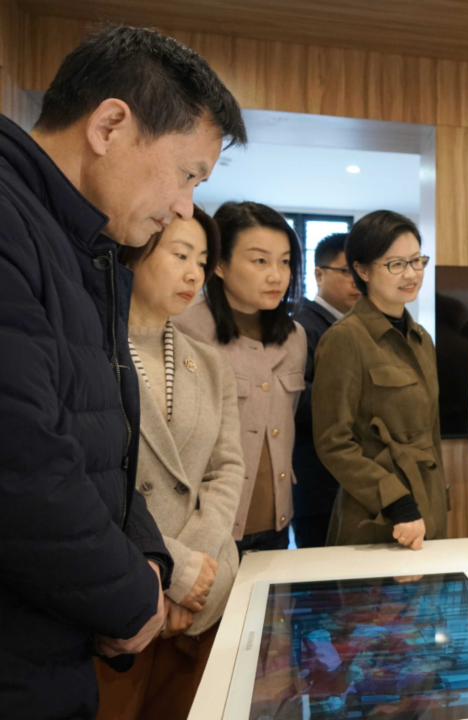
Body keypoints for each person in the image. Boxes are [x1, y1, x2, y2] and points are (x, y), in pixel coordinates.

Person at [0, 25, 244, 718]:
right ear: (109, 125)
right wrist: (135, 596)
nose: (185, 207)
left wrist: (151, 561)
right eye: (187, 173)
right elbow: (22, 462)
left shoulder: (80, 249)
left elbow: (103, 451)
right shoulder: (14, 223)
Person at [95, 207, 245, 720]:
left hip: (206, 594)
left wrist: (196, 570)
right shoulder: (92, 350)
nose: (193, 274)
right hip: (125, 592)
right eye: (180, 255)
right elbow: (92, 482)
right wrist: (171, 570)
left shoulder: (210, 362)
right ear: (133, 253)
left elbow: (226, 469)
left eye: (202, 262)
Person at [175, 202, 306, 556]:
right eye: (260, 260)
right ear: (219, 263)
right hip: (205, 525)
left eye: (284, 262)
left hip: (277, 521)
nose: (276, 276)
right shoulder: (184, 329)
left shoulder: (294, 337)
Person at [313, 211, 446, 549]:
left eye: (416, 261)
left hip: (428, 504)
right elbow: (333, 442)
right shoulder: (346, 338)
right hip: (377, 512)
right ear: (362, 270)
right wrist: (395, 500)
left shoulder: (421, 338)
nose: (411, 273)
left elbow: (431, 434)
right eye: (396, 264)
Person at [292, 232, 361, 548]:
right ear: (319, 274)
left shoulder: (356, 326)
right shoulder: (301, 325)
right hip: (317, 482)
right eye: (346, 271)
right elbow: (297, 398)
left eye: (360, 272)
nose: (356, 282)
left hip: (349, 480)